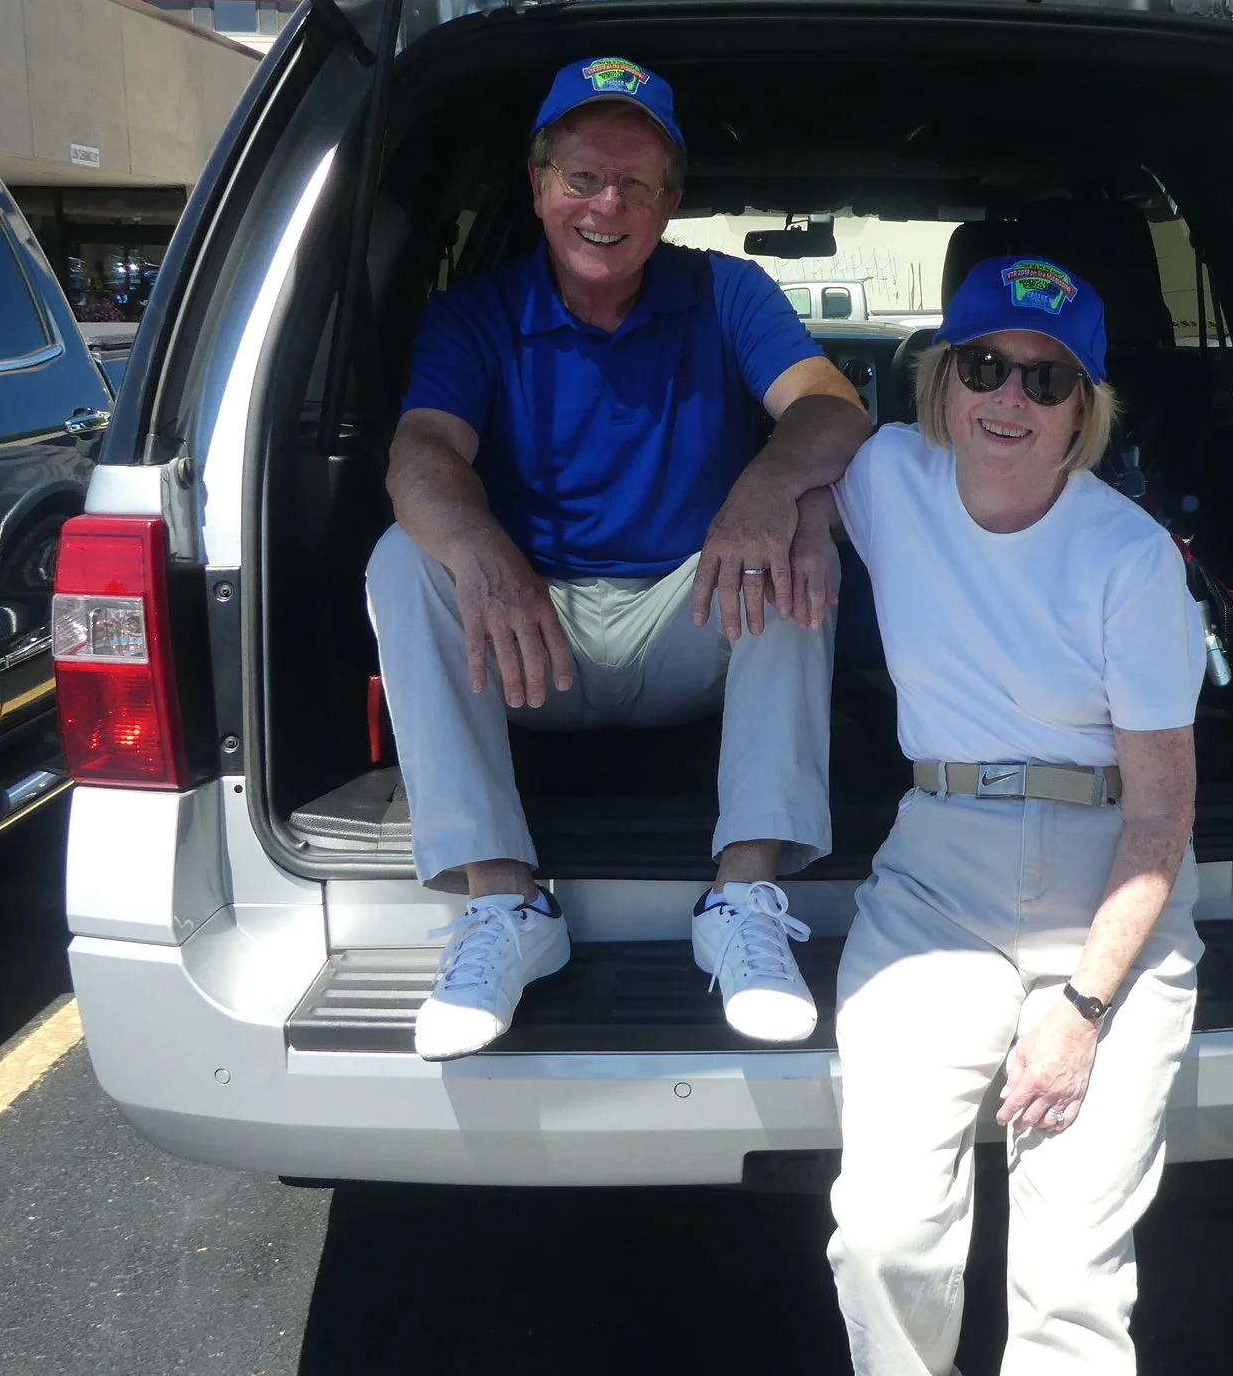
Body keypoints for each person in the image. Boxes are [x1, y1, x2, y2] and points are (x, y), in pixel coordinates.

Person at [367, 56, 870, 1061]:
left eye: (635, 184)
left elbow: (832, 409)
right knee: (402, 556)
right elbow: (420, 454)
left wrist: (771, 491)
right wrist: (483, 548)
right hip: (528, 638)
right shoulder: (475, 315)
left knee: (793, 545)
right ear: (538, 184)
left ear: (670, 201)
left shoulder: (727, 291)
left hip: (690, 624)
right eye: (583, 178)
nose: (607, 205)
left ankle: (743, 897)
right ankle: (502, 903)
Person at [819, 255, 1207, 1376]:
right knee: (881, 1235)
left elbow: (1161, 813)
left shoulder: (1130, 558)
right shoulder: (886, 474)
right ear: (940, 380)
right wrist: (757, 501)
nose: (1009, 398)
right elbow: (799, 433)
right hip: (938, 876)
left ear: (1082, 413)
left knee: (1071, 1269)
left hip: (1108, 893)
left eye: (1047, 380)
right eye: (984, 365)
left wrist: (1082, 1010)